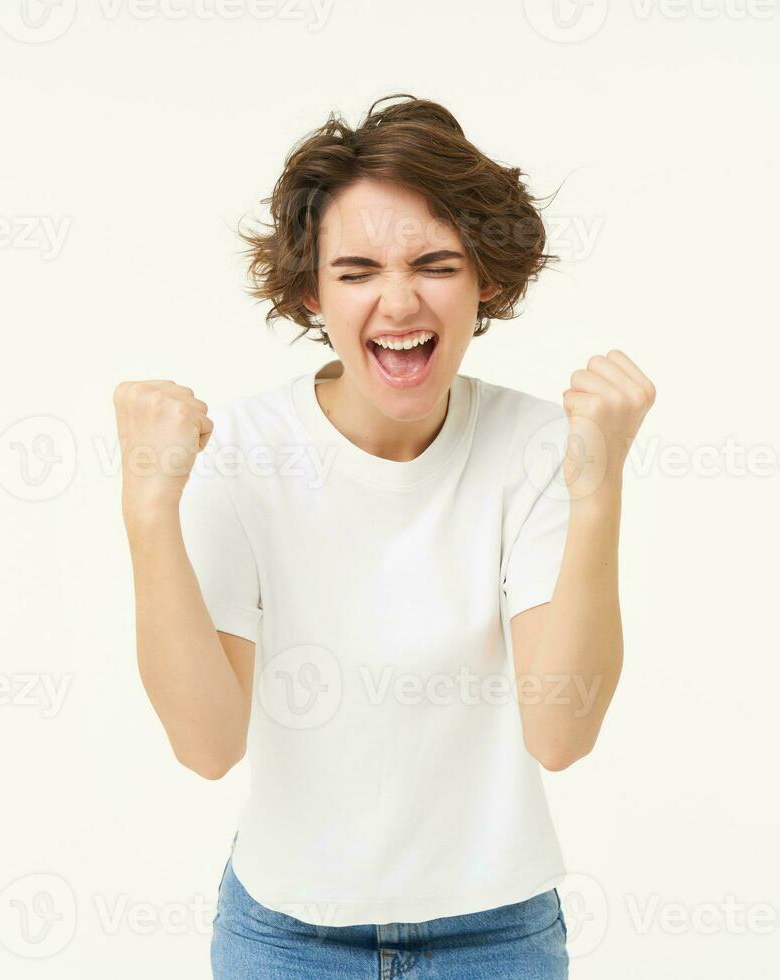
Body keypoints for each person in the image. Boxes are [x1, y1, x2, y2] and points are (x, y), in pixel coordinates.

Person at [112, 93, 654, 978]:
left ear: (486, 279)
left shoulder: (536, 450)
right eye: (356, 270)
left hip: (497, 935)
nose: (398, 302)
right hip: (286, 940)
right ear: (309, 291)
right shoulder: (239, 454)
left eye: (436, 263)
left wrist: (598, 489)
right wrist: (147, 511)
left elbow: (561, 731)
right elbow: (207, 747)